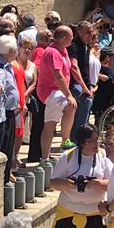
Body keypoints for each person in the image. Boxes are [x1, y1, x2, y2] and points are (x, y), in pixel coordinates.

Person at [44, 124, 111, 228]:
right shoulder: (68, 156)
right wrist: (67, 184)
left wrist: (95, 183)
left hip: (94, 213)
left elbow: (112, 183)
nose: (97, 144)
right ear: (82, 143)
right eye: (92, 141)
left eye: (98, 140)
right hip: (69, 211)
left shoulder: (103, 156)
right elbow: (53, 183)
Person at [36, 24, 79, 160]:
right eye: (71, 37)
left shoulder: (63, 50)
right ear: (63, 38)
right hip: (50, 90)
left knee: (50, 124)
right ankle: (65, 141)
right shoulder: (53, 52)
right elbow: (58, 75)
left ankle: (46, 157)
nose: (73, 39)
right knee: (70, 105)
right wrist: (69, 95)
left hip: (57, 91)